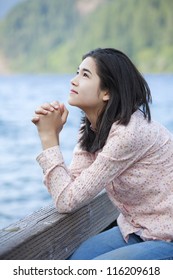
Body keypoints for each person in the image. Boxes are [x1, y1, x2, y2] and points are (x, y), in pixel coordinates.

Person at [32, 48, 173, 260]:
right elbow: (70, 188)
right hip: (135, 228)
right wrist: (53, 136)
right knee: (76, 263)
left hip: (167, 236)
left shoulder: (128, 133)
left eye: (85, 75)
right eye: (76, 72)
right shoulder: (91, 128)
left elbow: (66, 200)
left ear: (107, 92)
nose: (74, 80)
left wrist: (49, 139)